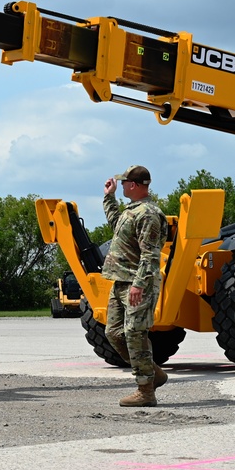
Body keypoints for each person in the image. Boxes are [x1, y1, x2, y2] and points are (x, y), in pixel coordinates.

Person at [101, 165, 169, 407]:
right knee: (114, 333)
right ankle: (154, 374)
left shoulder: (149, 214)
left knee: (135, 334)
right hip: (121, 282)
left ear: (136, 185)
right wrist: (109, 198)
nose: (122, 186)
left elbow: (150, 255)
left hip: (138, 284)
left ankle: (146, 391)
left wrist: (139, 284)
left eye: (125, 183)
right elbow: (116, 225)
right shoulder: (132, 211)